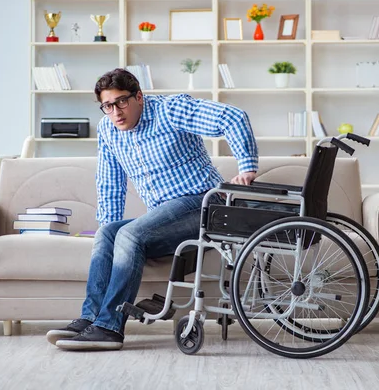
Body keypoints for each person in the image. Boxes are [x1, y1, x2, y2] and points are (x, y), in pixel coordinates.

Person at [46, 68, 258, 351]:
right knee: (108, 233)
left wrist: (247, 168)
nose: (116, 112)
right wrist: (109, 236)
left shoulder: (170, 110)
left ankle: (109, 328)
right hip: (166, 214)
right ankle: (91, 319)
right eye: (107, 106)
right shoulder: (108, 130)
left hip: (204, 204)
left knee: (131, 234)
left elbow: (233, 117)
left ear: (139, 97)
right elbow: (110, 183)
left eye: (121, 102)